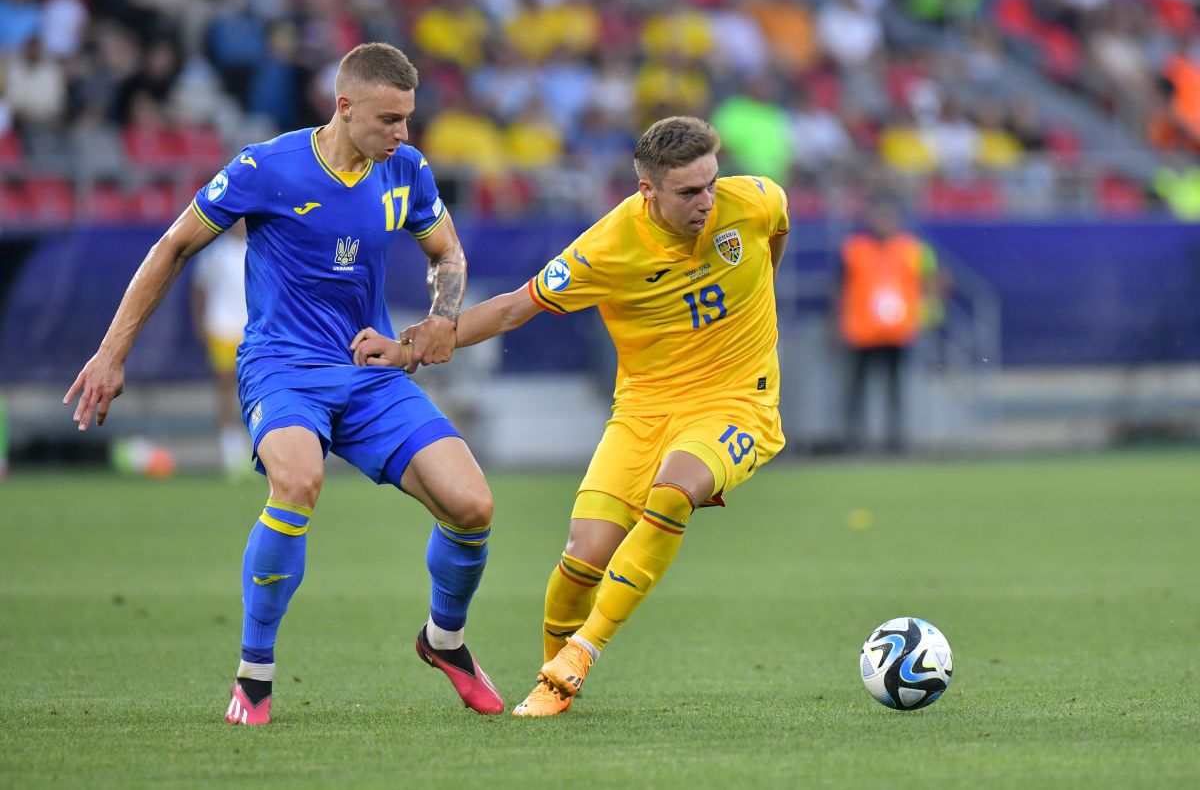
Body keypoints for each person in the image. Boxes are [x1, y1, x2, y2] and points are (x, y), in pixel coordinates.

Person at [63, 42, 504, 724]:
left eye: (408, 118)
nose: (403, 134)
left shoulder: (406, 170)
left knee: (473, 505)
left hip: (369, 369)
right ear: (345, 106)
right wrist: (111, 351)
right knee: (297, 481)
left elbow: (446, 251)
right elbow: (173, 245)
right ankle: (255, 674)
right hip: (283, 367)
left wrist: (443, 316)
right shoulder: (267, 167)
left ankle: (445, 639)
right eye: (389, 119)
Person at [352, 116, 790, 717]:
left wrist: (755, 316)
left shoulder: (756, 199)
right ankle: (552, 685)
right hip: (644, 407)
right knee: (583, 556)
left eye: (711, 183)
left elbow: (776, 234)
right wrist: (408, 350)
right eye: (690, 192)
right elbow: (512, 309)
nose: (707, 201)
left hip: (739, 399)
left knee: (674, 490)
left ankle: (580, 655)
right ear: (648, 192)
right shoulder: (608, 245)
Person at [835, 194, 932, 453]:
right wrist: (836, 324)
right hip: (862, 331)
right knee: (857, 388)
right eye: (880, 216)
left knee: (895, 388)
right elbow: (839, 288)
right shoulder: (854, 248)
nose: (884, 222)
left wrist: (922, 316)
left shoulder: (911, 249)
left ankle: (896, 440)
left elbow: (928, 281)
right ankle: (854, 440)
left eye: (889, 217)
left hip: (897, 332)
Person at [190, 220, 251, 477]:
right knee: (226, 388)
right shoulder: (215, 252)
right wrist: (200, 322)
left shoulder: (256, 249)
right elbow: (199, 289)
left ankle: (256, 445)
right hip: (221, 327)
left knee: (251, 388)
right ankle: (230, 448)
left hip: (250, 329)